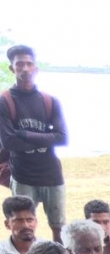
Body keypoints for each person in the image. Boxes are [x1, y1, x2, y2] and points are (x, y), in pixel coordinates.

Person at [0, 46, 67, 241]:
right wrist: (45, 139)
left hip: (52, 175)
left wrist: (24, 134)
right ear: (12, 68)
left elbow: (63, 138)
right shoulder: (5, 101)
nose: (25, 69)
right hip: (22, 176)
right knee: (24, 230)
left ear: (36, 68)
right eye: (20, 64)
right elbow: (10, 142)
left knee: (59, 228)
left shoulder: (50, 101)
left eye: (29, 64)